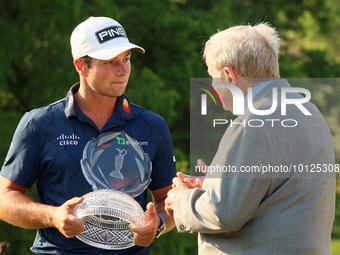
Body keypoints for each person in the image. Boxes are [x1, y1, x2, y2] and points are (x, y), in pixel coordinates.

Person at [0, 16, 176, 254]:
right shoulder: (40, 123)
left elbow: (169, 201)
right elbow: (5, 199)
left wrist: (159, 224)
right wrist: (53, 216)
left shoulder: (152, 126)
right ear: (81, 66)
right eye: (110, 62)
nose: (123, 70)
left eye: (126, 59)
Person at [165, 23, 335, 254]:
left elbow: (223, 214)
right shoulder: (308, 110)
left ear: (229, 75)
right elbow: (278, 191)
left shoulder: (253, 124)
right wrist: (215, 185)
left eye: (213, 77)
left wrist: (180, 200)